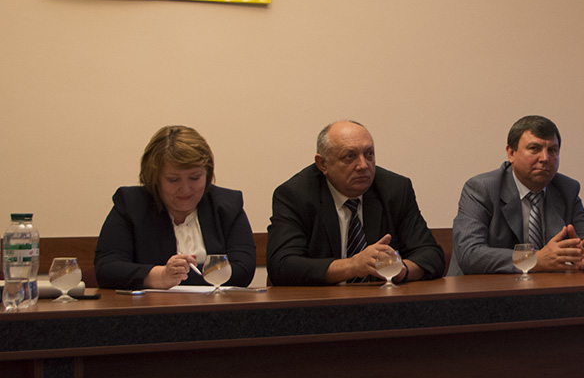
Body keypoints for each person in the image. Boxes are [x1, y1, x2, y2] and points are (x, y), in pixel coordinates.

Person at [267, 120, 444, 285]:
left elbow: (432, 255)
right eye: (350, 156)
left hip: (383, 302)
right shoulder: (295, 195)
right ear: (323, 164)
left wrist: (401, 270)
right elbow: (282, 265)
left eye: (369, 154)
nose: (363, 165)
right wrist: (352, 266)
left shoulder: (395, 189)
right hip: (321, 303)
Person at [95, 125, 257, 290]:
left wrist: (177, 276)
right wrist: (160, 276)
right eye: (173, 180)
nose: (185, 189)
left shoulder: (228, 205)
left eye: (195, 178)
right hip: (150, 306)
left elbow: (243, 270)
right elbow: (107, 268)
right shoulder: (131, 204)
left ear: (207, 173)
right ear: (155, 177)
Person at [451, 115, 584, 275]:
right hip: (482, 288)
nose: (545, 158)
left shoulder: (566, 189)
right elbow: (469, 254)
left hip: (546, 288)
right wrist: (534, 259)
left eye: (552, 150)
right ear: (511, 153)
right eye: (534, 148)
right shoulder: (482, 188)